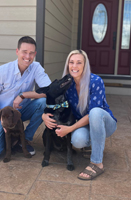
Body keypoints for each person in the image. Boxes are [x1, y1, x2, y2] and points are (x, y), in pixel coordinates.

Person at [42, 50, 117, 180]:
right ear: (67, 65)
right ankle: (89, 143)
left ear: (85, 65)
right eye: (71, 62)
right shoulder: (68, 85)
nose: (74, 66)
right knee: (77, 141)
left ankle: (97, 163)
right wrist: (44, 115)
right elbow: (54, 100)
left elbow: (94, 113)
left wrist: (70, 129)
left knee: (94, 112)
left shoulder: (95, 81)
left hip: (105, 124)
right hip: (84, 123)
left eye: (79, 62)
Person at [0, 36, 51, 158]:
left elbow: (49, 91)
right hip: (0, 114)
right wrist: (2, 118)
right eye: (24, 52)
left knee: (43, 102)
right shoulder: (2, 72)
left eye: (31, 53)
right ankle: (9, 139)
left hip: (20, 111)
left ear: (35, 54)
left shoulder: (36, 68)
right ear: (17, 51)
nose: (28, 56)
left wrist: (23, 95)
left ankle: (24, 139)